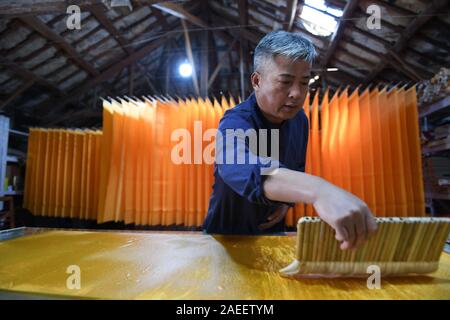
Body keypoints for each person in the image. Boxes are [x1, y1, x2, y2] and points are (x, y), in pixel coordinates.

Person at [203, 31, 377, 250]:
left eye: (304, 83)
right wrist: (318, 190)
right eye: (285, 82)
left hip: (272, 232)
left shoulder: (299, 120)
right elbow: (234, 164)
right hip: (225, 239)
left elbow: (295, 165)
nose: (296, 93)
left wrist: (286, 202)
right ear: (257, 81)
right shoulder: (236, 120)